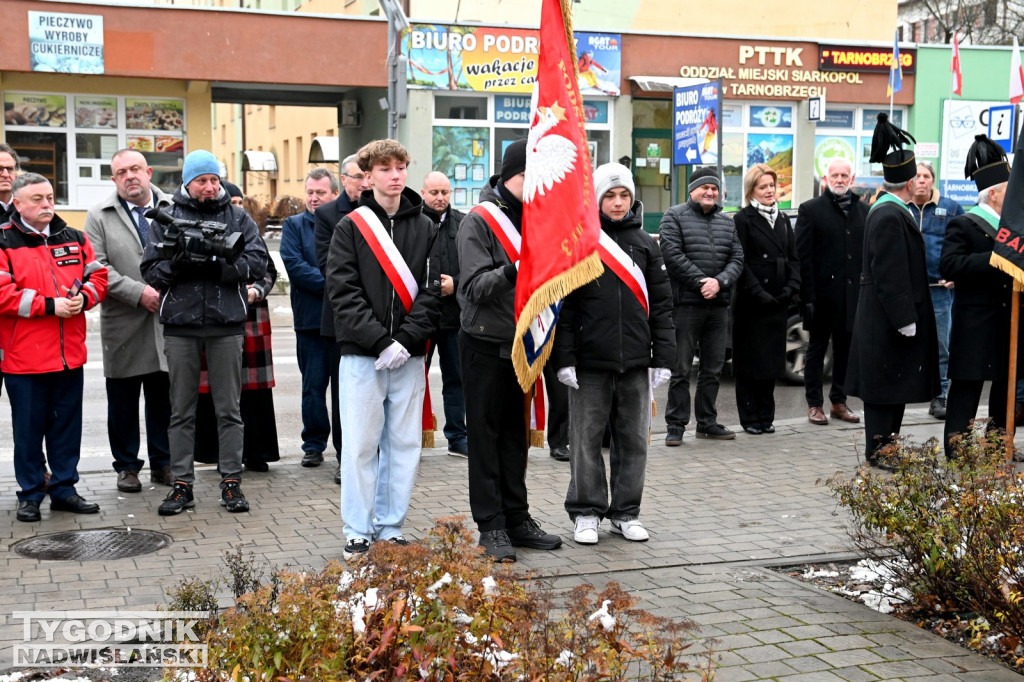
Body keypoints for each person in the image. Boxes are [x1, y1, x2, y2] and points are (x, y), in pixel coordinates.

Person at [325, 139, 442, 560]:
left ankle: (391, 527)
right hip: (362, 354)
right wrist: (380, 341)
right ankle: (358, 528)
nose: (395, 175)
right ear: (368, 176)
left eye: (400, 167)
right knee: (359, 444)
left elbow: (432, 291)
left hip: (408, 355)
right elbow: (343, 292)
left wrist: (406, 341)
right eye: (386, 169)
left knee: (404, 444)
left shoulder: (427, 227)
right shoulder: (351, 227)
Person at [140, 149, 268, 515]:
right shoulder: (167, 216)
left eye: (214, 180)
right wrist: (180, 265)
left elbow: (258, 262)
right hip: (180, 325)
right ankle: (182, 485)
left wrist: (219, 268)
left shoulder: (238, 216)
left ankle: (231, 482)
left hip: (226, 323)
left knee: (229, 409)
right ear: (188, 182)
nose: (210, 187)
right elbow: (150, 270)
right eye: (202, 181)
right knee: (181, 409)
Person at [553, 163, 674, 545]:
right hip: (589, 362)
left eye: (624, 195)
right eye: (610, 195)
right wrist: (565, 358)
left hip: (636, 361)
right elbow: (566, 308)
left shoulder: (646, 244)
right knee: (585, 439)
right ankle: (586, 511)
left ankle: (625, 512)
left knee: (634, 440)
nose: (618, 203)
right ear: (597, 198)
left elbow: (662, 304)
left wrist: (664, 356)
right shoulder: (581, 241)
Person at [457, 138, 564, 561]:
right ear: (509, 175)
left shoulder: (536, 217)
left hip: (523, 342)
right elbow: (473, 288)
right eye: (528, 177)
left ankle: (517, 518)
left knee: (515, 437)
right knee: (485, 435)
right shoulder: (479, 221)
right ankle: (491, 525)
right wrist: (517, 268)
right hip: (484, 340)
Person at [0, 173, 108, 522]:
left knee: (66, 429)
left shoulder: (74, 236)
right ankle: (30, 494)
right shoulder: (3, 240)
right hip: (24, 360)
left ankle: (64, 489)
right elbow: (3, 293)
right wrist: (51, 305)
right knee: (29, 434)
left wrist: (84, 298)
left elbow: (98, 276)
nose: (47, 204)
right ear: (17, 203)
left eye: (49, 197)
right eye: (37, 199)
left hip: (68, 357)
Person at [846, 114, 939, 468]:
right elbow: (890, 274)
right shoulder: (888, 214)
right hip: (886, 320)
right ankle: (880, 451)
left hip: (886, 318)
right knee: (884, 389)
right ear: (909, 180)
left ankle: (889, 447)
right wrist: (904, 318)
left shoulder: (889, 210)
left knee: (892, 386)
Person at [83, 149, 173, 492]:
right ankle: (127, 467)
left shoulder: (171, 207)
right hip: (123, 321)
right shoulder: (98, 215)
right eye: (121, 172)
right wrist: (139, 293)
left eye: (135, 169)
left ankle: (163, 463)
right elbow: (97, 267)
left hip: (167, 318)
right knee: (122, 401)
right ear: (114, 179)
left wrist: (164, 292)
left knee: (164, 398)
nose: (130, 176)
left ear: (148, 171)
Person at [940, 134, 1016, 459]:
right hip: (975, 322)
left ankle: (998, 446)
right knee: (967, 389)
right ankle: (958, 449)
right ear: (995, 193)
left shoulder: (1013, 228)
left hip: (1007, 320)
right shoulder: (965, 224)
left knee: (1004, 388)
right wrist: (994, 258)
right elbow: (950, 265)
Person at [659, 166, 744, 444]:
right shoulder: (674, 216)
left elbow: (737, 259)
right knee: (681, 368)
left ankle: (707, 422)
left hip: (718, 306)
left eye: (714, 188)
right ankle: (676, 425)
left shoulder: (727, 222)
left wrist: (719, 282)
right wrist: (701, 282)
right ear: (692, 190)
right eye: (705, 187)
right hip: (686, 305)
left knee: (713, 368)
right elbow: (672, 254)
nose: (710, 192)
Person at [795, 158, 867, 427]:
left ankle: (839, 401)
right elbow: (803, 257)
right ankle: (815, 404)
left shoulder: (864, 211)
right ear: (826, 179)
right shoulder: (811, 210)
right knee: (816, 350)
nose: (839, 179)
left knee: (846, 351)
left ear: (852, 178)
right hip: (822, 296)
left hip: (852, 297)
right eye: (834, 175)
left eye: (844, 175)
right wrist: (807, 296)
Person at [731, 164, 800, 435]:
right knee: (750, 363)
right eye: (763, 187)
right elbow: (741, 260)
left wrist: (791, 288)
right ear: (752, 191)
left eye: (771, 185)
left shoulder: (782, 219)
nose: (769, 191)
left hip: (778, 301)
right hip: (752, 302)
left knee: (770, 362)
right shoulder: (743, 219)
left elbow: (794, 257)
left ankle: (766, 416)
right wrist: (758, 292)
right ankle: (749, 418)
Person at [314, 153, 371, 484]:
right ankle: (345, 459)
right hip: (343, 318)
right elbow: (327, 266)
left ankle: (375, 456)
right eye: (357, 176)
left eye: (368, 176)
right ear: (344, 180)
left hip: (383, 318)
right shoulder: (326, 215)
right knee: (345, 393)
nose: (364, 182)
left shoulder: (381, 210)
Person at [281, 168, 342, 470]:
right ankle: (314, 445)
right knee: (313, 387)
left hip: (342, 321)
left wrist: (341, 279)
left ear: (334, 194)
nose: (314, 198)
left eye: (320, 192)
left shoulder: (343, 223)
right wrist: (338, 282)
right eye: (310, 192)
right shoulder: (293, 226)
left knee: (344, 389)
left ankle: (347, 446)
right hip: (310, 322)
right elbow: (295, 267)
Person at [908, 162, 964, 421]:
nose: (921, 180)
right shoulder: (902, 207)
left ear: (933, 180)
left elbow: (964, 242)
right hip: (908, 290)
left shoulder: (951, 208)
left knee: (942, 347)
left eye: (926, 176)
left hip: (939, 291)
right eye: (917, 176)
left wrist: (956, 274)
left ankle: (940, 396)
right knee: (907, 344)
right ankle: (907, 391)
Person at [420, 170, 469, 458]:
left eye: (445, 192)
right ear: (423, 192)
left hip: (454, 318)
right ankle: (411, 438)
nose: (440, 198)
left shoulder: (464, 223)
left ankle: (457, 437)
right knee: (413, 382)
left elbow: (476, 265)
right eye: (434, 192)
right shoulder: (412, 223)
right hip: (422, 318)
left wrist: (457, 285)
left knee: (456, 380)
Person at [0, 142, 21, 399]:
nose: (5, 174)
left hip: (23, 322)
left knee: (28, 412)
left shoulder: (30, 208)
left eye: (10, 168)